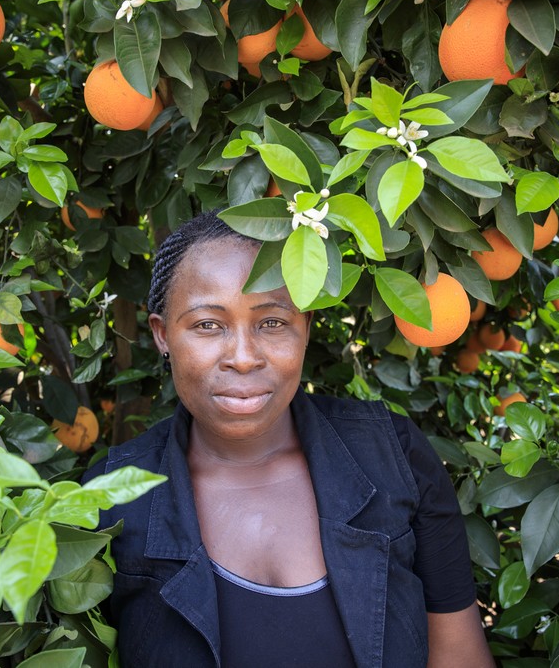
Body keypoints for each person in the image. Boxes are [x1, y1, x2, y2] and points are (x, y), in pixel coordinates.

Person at [83, 211, 494, 667]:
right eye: (207, 325)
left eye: (273, 322)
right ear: (162, 336)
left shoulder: (392, 456)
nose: (243, 358)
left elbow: (460, 657)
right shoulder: (112, 495)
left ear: (306, 325)